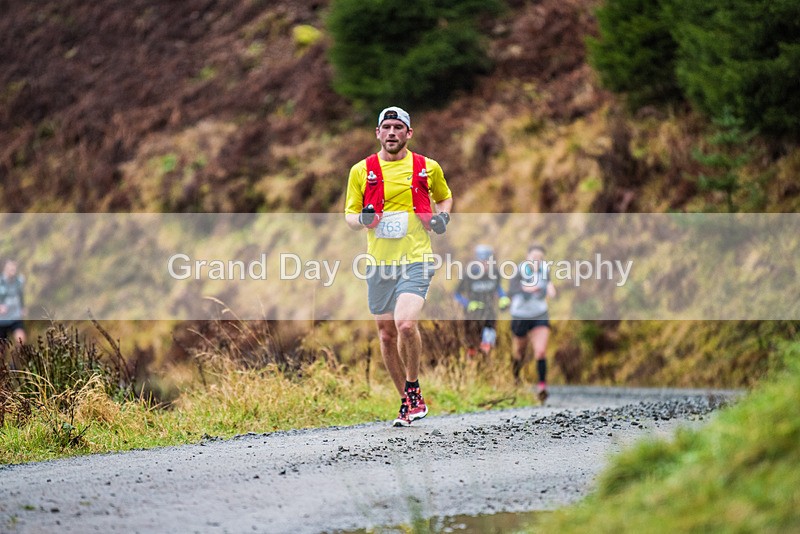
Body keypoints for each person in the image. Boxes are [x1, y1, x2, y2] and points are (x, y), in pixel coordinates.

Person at [345, 106, 453, 427]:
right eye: (386, 127)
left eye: (398, 127)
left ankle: (413, 386)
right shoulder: (361, 171)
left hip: (417, 258)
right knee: (386, 334)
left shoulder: (426, 167)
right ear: (377, 133)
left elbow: (445, 198)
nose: (391, 132)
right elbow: (350, 216)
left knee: (405, 324)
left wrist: (442, 216)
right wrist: (362, 219)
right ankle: (407, 402)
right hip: (379, 264)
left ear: (409, 133)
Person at [508, 245, 556, 402]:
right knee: (519, 353)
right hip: (520, 315)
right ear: (527, 256)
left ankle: (542, 387)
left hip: (539, 314)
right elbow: (511, 291)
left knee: (540, 351)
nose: (537, 260)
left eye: (540, 258)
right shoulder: (519, 270)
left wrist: (551, 290)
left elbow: (549, 285)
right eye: (534, 257)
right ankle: (516, 382)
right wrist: (527, 290)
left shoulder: (544, 271)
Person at [454, 244, 510, 358]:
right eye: (483, 262)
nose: (486, 265)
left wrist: (503, 297)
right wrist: (468, 303)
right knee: (472, 346)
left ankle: (486, 365)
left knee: (488, 344)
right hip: (472, 316)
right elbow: (457, 294)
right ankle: (472, 367)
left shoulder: (495, 273)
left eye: (488, 262)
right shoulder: (469, 275)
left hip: (489, 313)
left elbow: (498, 287)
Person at [0, 260, 27, 344]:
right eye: (11, 268)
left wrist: (22, 307)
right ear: (5, 268)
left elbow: (21, 294)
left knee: (21, 339)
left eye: (14, 268)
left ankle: (19, 356)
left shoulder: (19, 281)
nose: (13, 270)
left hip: (15, 316)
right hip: (2, 319)